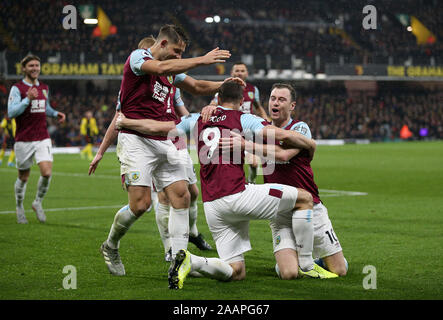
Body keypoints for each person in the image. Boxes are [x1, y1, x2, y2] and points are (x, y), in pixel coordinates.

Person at [116, 81, 337, 290]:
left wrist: (127, 123)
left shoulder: (195, 119)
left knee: (236, 271)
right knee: (305, 198)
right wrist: (310, 142)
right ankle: (308, 266)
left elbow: (159, 128)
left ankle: (190, 261)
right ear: (241, 101)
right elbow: (280, 137)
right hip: (237, 195)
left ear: (217, 98)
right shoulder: (244, 118)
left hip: (212, 206)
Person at [93, 25, 241, 277]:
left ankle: (178, 260)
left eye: (182, 52)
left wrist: (223, 85)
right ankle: (110, 245)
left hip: (164, 139)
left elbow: (195, 86)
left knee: (182, 196)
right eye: (176, 51)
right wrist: (202, 60)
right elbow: (161, 68)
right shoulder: (139, 58)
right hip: (135, 139)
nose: (178, 57)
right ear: (161, 44)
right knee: (140, 205)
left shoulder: (173, 72)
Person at [7, 54, 66, 224]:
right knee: (23, 177)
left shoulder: (44, 87)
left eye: (37, 65)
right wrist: (27, 99)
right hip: (24, 139)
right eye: (31, 66)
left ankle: (37, 202)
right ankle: (19, 207)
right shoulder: (17, 88)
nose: (34, 68)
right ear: (24, 68)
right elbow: (12, 112)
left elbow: (44, 107)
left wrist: (55, 114)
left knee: (47, 173)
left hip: (42, 137)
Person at [211, 62, 267, 184]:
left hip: (247, 133)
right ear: (232, 73)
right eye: (237, 70)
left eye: (242, 71)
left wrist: (266, 120)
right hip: (230, 131)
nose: (239, 73)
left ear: (247, 73)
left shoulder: (253, 90)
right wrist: (210, 108)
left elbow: (258, 106)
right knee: (231, 164)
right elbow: (213, 104)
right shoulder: (224, 89)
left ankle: (251, 182)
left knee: (253, 163)